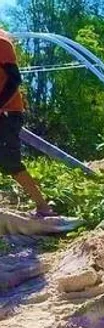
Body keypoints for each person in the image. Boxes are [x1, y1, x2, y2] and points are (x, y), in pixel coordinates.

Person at [0, 29, 54, 217]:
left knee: (9, 161)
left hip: (7, 112)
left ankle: (44, 208)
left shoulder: (2, 42)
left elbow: (14, 79)